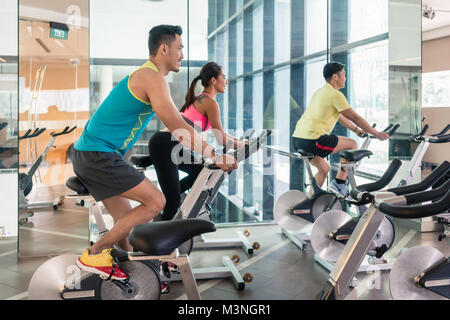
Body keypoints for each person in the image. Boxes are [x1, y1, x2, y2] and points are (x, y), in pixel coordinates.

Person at [72, 25, 237, 280]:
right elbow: (177, 126)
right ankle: (93, 254)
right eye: (179, 48)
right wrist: (214, 155)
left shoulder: (147, 76)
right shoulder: (152, 78)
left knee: (125, 225)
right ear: (164, 49)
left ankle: (135, 278)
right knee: (156, 201)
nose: (182, 54)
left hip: (96, 154)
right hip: (97, 155)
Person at [149, 62, 248, 221]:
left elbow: (222, 134)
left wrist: (242, 142)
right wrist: (244, 144)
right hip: (165, 144)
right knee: (174, 200)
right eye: (224, 77)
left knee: (197, 173)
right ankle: (164, 241)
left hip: (169, 144)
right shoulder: (210, 102)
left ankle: (167, 203)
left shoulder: (201, 99)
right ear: (214, 81)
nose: (227, 81)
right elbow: (221, 139)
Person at [291, 61, 390, 197]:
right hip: (313, 139)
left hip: (298, 139)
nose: (345, 77)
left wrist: (356, 130)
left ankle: (309, 202)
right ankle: (339, 183)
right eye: (343, 74)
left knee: (324, 169)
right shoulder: (335, 94)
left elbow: (340, 116)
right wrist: (376, 133)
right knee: (352, 144)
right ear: (335, 77)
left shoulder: (320, 92)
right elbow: (354, 116)